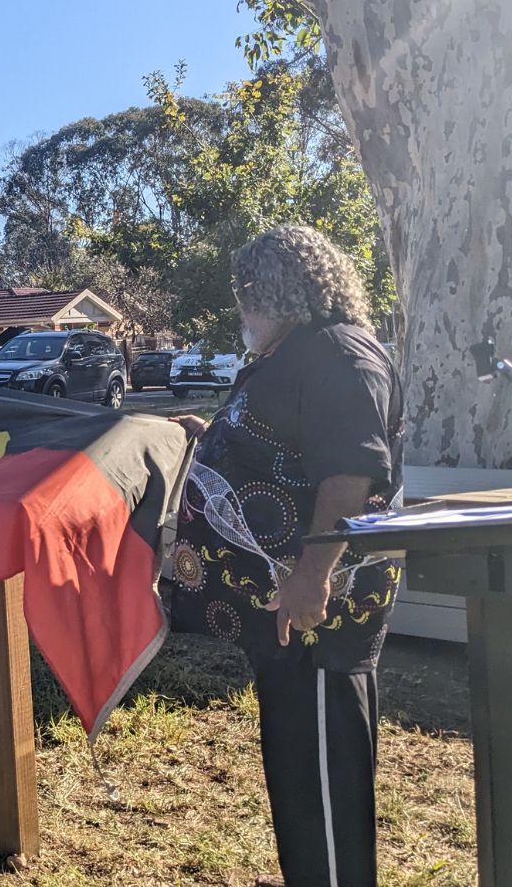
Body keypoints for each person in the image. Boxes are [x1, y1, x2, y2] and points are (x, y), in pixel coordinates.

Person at [169, 225, 403, 887]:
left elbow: (350, 473)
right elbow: (280, 446)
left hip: (319, 624)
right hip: (285, 622)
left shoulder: (337, 354)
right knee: (298, 784)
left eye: (246, 291)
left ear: (273, 289)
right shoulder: (293, 354)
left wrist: (312, 576)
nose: (240, 306)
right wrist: (209, 436)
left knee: (323, 790)